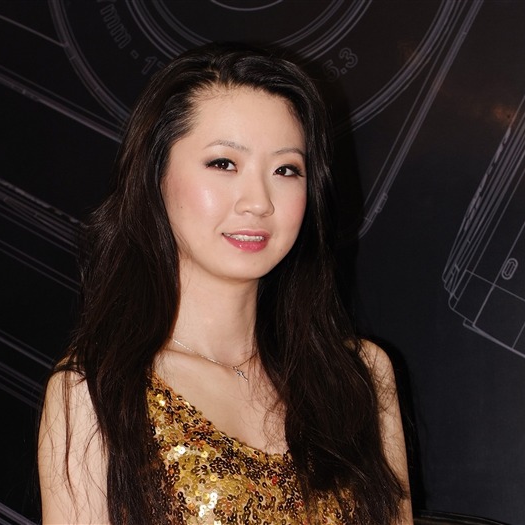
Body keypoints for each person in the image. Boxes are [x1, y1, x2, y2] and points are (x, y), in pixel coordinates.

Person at [38, 42, 412, 525]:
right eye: (224, 164)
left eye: (286, 170)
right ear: (156, 176)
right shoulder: (96, 392)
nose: (258, 201)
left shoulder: (359, 376)